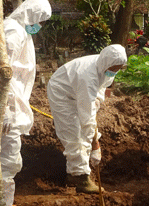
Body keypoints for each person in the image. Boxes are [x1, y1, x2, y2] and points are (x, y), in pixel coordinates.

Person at [0, 0, 52, 206]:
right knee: (8, 162)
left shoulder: (20, 30)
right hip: (6, 109)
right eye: (41, 19)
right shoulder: (14, 30)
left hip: (8, 104)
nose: (40, 25)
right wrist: (7, 108)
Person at [46, 44, 127, 193]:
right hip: (62, 92)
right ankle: (82, 178)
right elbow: (87, 116)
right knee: (73, 132)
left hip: (78, 89)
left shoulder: (106, 67)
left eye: (118, 68)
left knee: (83, 131)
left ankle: (73, 174)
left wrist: (97, 98)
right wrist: (95, 144)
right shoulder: (87, 75)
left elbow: (102, 85)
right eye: (114, 68)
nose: (115, 71)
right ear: (107, 63)